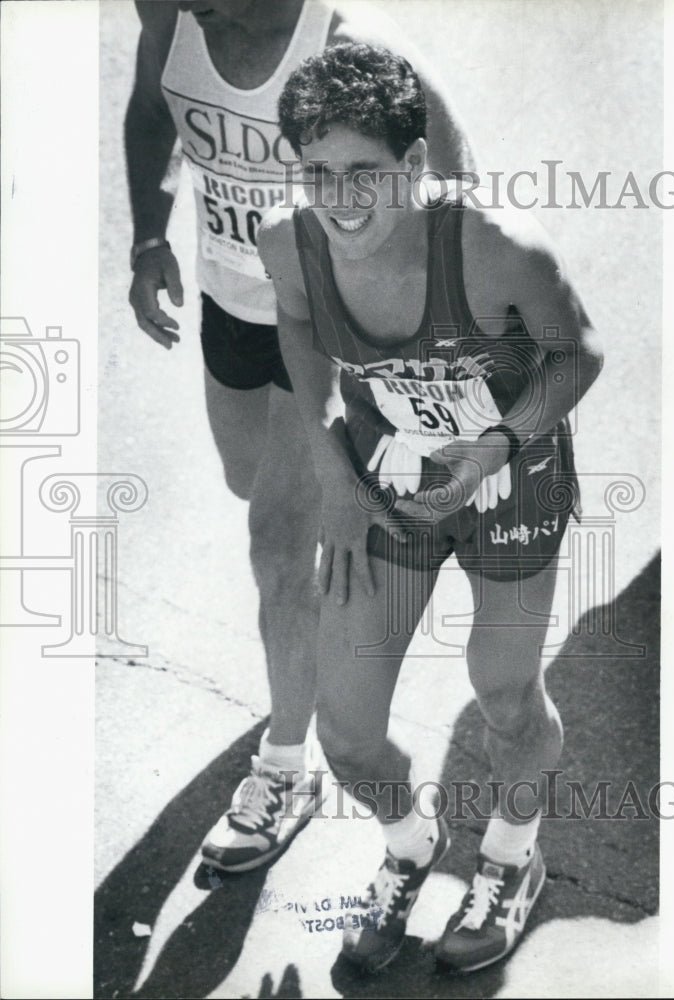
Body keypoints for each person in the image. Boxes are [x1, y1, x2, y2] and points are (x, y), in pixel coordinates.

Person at [258, 42, 604, 973]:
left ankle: (508, 859)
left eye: (364, 172)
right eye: (316, 173)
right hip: (384, 476)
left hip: (507, 474)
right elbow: (296, 325)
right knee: (348, 730)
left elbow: (579, 356)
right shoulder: (286, 242)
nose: (340, 199)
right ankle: (412, 849)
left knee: (502, 694)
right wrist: (333, 472)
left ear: (413, 167)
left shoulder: (495, 247)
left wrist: (493, 444)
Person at [124, 0, 474, 873]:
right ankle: (331, 585)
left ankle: (287, 767)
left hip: (328, 326)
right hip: (230, 302)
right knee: (254, 487)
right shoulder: (170, 14)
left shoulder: (347, 48)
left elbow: (459, 192)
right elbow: (149, 108)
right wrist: (143, 238)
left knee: (276, 545)